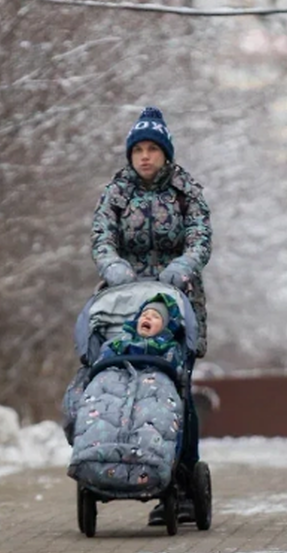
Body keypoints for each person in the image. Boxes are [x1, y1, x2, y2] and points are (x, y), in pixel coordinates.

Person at [90, 105, 212, 525]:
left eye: (152, 150)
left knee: (177, 389)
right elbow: (101, 235)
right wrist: (112, 266)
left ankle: (179, 483)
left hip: (176, 303)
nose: (144, 157)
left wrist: (183, 267)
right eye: (137, 150)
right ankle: (112, 457)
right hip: (125, 303)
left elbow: (200, 237)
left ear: (165, 153)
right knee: (120, 382)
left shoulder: (185, 191)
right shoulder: (117, 193)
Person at [98, 294, 186, 369]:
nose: (147, 317)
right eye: (144, 315)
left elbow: (174, 365)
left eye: (155, 317)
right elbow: (106, 351)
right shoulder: (124, 338)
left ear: (164, 327)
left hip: (153, 377)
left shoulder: (168, 345)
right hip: (120, 372)